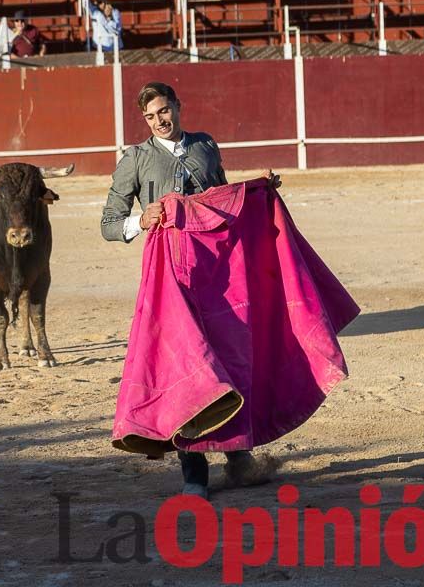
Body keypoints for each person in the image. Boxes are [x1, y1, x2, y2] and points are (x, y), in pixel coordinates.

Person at [100, 82, 287, 498]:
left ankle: (238, 457)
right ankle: (194, 474)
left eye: (164, 111)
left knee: (226, 361)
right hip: (172, 280)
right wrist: (141, 220)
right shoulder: (135, 159)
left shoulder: (204, 146)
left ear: (179, 107)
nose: (159, 121)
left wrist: (256, 192)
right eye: (150, 117)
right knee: (185, 369)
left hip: (217, 276)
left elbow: (223, 203)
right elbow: (109, 223)